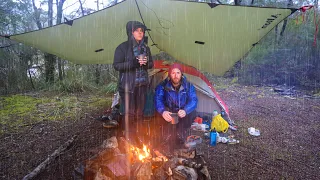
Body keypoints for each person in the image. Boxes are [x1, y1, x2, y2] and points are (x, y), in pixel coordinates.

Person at [113, 21, 153, 140]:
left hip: (142, 85)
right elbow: (116, 65)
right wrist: (133, 63)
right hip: (128, 86)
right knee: (129, 113)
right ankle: (129, 137)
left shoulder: (146, 48)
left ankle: (139, 135)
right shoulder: (123, 47)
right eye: (138, 31)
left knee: (140, 113)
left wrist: (146, 64)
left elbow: (151, 64)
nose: (141, 33)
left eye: (142, 31)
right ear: (132, 32)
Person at [154, 63, 198, 145]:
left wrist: (185, 110)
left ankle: (181, 132)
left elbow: (194, 100)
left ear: (181, 74)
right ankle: (166, 133)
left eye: (178, 73)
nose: (176, 75)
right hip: (169, 112)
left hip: (182, 112)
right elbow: (158, 99)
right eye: (173, 73)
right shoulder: (163, 85)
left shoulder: (188, 86)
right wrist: (163, 111)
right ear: (170, 74)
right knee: (157, 112)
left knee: (193, 112)